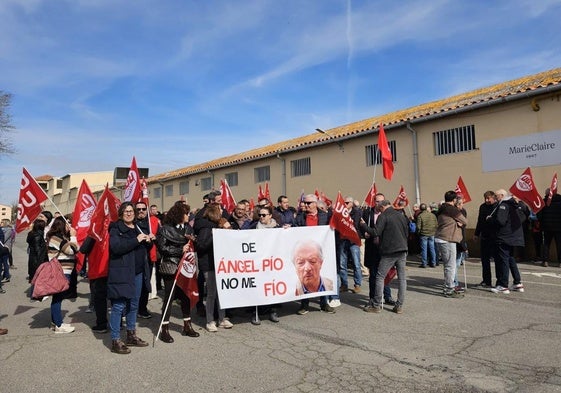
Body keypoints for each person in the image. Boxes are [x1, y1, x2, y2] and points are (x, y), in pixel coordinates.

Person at [107, 202, 151, 354]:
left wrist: (148, 241)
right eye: (126, 211)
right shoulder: (115, 228)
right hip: (122, 272)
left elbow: (143, 247)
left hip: (138, 272)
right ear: (121, 213)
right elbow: (116, 248)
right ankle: (115, 340)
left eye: (131, 211)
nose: (129, 213)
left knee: (134, 304)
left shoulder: (137, 226)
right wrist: (136, 240)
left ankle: (131, 335)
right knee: (118, 306)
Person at [156, 202, 200, 343]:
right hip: (172, 266)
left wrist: (194, 242)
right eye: (186, 213)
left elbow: (195, 246)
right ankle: (165, 330)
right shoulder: (165, 229)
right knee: (169, 298)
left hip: (187, 268)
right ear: (179, 215)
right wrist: (179, 250)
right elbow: (162, 248)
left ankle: (187, 325)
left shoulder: (189, 228)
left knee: (186, 296)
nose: (188, 216)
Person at [362, 200, 409, 313]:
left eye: (379, 208)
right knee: (402, 278)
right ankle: (399, 306)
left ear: (383, 207)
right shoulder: (400, 215)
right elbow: (406, 232)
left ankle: (376, 305)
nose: (379, 210)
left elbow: (376, 232)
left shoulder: (384, 216)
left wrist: (363, 225)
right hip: (402, 249)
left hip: (390, 251)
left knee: (380, 276)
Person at [194, 203, 234, 332]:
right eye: (220, 209)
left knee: (221, 292)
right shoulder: (205, 228)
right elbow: (200, 246)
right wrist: (215, 234)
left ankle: (222, 318)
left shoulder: (221, 224)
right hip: (209, 264)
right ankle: (210, 320)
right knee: (211, 293)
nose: (222, 211)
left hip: (221, 264)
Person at [294, 194, 335, 314]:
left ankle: (324, 303)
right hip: (305, 252)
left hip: (321, 252)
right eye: (305, 203)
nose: (305, 205)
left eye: (308, 203)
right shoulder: (300, 217)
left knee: (322, 275)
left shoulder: (325, 216)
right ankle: (304, 305)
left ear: (315, 204)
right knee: (305, 277)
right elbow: (294, 228)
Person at [360, 192, 396, 306]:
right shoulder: (367, 212)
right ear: (373, 202)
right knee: (373, 275)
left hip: (384, 248)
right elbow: (360, 225)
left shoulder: (388, 214)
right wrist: (363, 233)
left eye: (381, 201)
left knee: (385, 274)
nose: (379, 203)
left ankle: (387, 296)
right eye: (377, 201)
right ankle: (372, 298)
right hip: (372, 247)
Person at [46, 216, 78, 333]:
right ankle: (58, 325)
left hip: (64, 271)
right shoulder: (57, 238)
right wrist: (73, 236)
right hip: (61, 271)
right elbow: (72, 250)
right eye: (67, 224)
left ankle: (55, 322)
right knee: (58, 298)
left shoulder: (61, 238)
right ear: (61, 225)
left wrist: (71, 239)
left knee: (57, 297)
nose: (69, 226)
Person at [488, 189, 524, 294]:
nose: (495, 197)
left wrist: (490, 219)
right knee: (511, 259)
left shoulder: (504, 205)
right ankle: (517, 282)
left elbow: (500, 221)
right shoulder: (514, 205)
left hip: (504, 237)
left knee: (503, 260)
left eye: (496, 195)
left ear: (502, 195)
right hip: (512, 237)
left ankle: (503, 285)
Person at [251, 205, 281, 325]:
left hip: (272, 263)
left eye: (264, 215)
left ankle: (272, 311)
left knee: (271, 287)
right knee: (258, 287)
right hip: (258, 263)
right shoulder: (253, 226)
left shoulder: (277, 228)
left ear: (270, 216)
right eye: (260, 215)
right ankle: (256, 312)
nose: (261, 217)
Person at [435, 191, 468, 298]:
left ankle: (448, 286)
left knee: (448, 265)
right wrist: (459, 222)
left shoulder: (442, 208)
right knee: (450, 265)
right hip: (448, 239)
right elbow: (464, 220)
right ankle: (449, 288)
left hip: (442, 238)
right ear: (454, 200)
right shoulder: (452, 209)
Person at [135, 201, 158, 319]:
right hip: (134, 259)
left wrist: (153, 239)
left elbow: (159, 237)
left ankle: (142, 308)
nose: (141, 211)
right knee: (133, 285)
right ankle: (131, 309)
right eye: (138, 209)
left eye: (143, 209)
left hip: (146, 259)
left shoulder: (150, 223)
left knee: (145, 284)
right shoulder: (132, 224)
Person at [338, 196, 363, 293]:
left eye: (347, 202)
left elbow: (355, 225)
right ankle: (344, 284)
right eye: (344, 202)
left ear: (352, 203)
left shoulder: (356, 212)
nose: (345, 204)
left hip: (353, 240)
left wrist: (348, 220)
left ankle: (357, 284)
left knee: (356, 263)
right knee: (342, 264)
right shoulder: (341, 213)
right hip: (343, 240)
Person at [473, 191, 498, 287]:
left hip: (495, 237)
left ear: (493, 197)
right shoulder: (482, 207)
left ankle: (499, 282)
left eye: (488, 198)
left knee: (497, 260)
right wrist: (476, 233)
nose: (487, 200)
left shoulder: (497, 207)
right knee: (485, 260)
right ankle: (486, 280)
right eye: (485, 198)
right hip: (485, 236)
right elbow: (479, 221)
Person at [538, 188, 561, 267]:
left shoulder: (544, 202)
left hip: (546, 227)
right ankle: (560, 262)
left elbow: (539, 216)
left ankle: (545, 261)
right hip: (559, 227)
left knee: (546, 244)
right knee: (559, 244)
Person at [26, 218, 48, 297]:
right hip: (37, 260)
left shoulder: (33, 233)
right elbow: (38, 250)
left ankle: (34, 293)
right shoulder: (37, 235)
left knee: (34, 277)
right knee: (37, 277)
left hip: (33, 258)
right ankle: (36, 295)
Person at [416, 203, 437, 268]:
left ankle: (424, 263)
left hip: (423, 234)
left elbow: (418, 227)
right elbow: (436, 224)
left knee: (424, 249)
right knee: (432, 248)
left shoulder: (420, 216)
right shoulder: (432, 215)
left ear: (420, 209)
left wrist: (418, 233)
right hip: (432, 234)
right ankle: (433, 263)